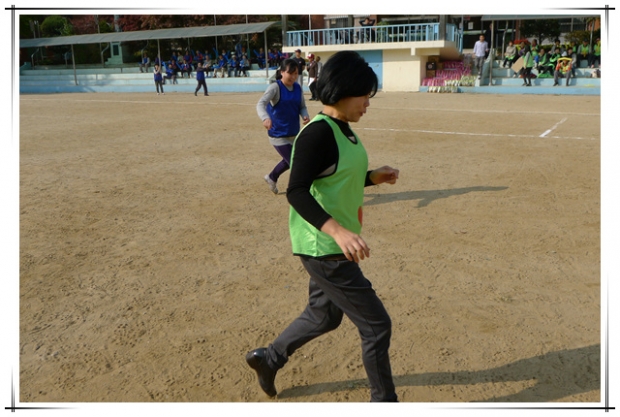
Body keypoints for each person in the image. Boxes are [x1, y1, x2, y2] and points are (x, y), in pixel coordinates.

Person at [246, 51, 400, 402]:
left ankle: (269, 359)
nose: (368, 103)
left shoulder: (344, 130)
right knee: (377, 325)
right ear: (343, 90)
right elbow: (297, 191)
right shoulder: (317, 133)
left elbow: (335, 178)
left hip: (331, 246)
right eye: (364, 95)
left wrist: (372, 177)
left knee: (324, 316)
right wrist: (338, 231)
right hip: (325, 248)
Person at [256, 59, 310, 194]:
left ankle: (271, 177)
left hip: (294, 133)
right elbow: (261, 104)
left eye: (296, 73)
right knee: (296, 163)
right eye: (290, 73)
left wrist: (305, 115)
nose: (293, 76)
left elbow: (302, 106)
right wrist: (265, 118)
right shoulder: (275, 87)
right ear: (282, 72)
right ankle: (303, 191)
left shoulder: (297, 88)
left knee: (289, 160)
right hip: (278, 134)